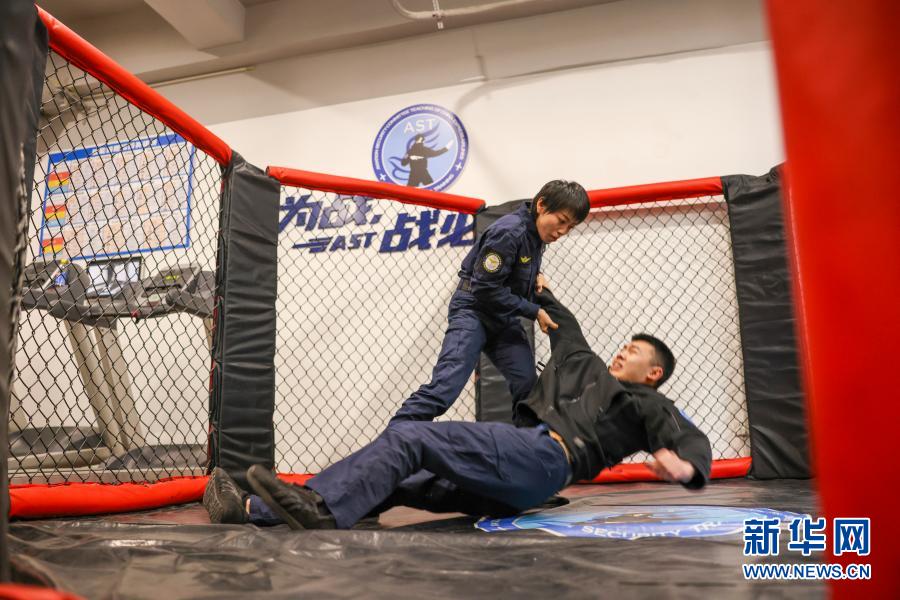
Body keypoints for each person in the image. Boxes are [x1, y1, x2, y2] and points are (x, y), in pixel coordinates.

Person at [203, 288, 712, 530]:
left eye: (636, 353)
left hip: (546, 459)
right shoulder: (581, 359)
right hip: (514, 483)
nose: (624, 351)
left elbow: (692, 443)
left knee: (411, 436)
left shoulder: (650, 403)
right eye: (624, 344)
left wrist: (685, 468)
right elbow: (560, 316)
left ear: (654, 373)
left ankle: (317, 510)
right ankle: (249, 510)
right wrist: (528, 279)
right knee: (399, 479)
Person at [390, 180, 590, 424]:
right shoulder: (509, 232)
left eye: (570, 227)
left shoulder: (537, 235)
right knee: (445, 388)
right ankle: (392, 443)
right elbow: (485, 289)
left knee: (529, 390)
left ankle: (524, 451)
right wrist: (535, 311)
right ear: (541, 205)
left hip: (502, 317)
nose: (562, 231)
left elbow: (518, 266)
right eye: (561, 221)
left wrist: (538, 276)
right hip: (474, 310)